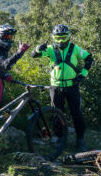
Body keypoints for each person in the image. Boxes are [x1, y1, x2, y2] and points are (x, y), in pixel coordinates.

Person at [32, 24, 93, 158]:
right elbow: (34, 55)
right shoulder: (50, 49)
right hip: (55, 87)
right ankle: (60, 139)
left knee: (76, 113)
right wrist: (38, 48)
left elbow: (89, 59)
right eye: (57, 38)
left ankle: (80, 139)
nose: (60, 41)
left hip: (72, 86)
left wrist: (83, 74)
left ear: (69, 37)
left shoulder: (75, 48)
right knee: (57, 113)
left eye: (64, 37)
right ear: (53, 37)